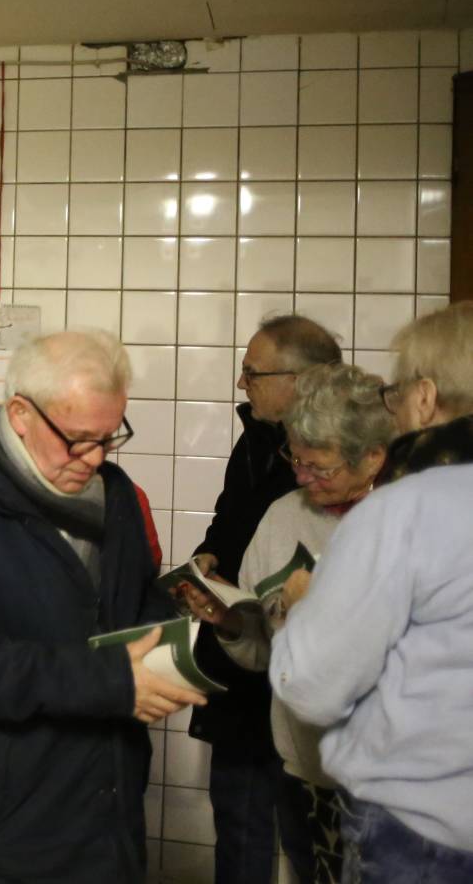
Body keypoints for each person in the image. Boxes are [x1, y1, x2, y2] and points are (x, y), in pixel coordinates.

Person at [0, 329, 200, 883]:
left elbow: (132, 604)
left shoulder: (115, 495)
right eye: (79, 439)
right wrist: (113, 680)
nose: (94, 459)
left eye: (111, 438)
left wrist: (190, 628)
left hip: (103, 816)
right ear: (20, 413)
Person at [271, 301, 473, 881]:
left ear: (426, 397)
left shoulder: (404, 511)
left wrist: (306, 612)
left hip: (424, 834)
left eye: (399, 390)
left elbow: (310, 686)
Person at [189, 364, 394, 884]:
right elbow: (264, 651)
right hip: (304, 769)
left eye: (319, 468)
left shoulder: (407, 519)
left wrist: (318, 609)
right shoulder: (284, 516)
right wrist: (231, 624)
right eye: (295, 460)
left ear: (373, 455)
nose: (303, 478)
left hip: (391, 781)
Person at [188, 313, 340, 884]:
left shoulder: (335, 464)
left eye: (252, 372)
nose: (240, 383)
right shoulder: (253, 441)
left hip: (302, 689)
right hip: (238, 671)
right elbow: (231, 523)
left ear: (299, 380)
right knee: (240, 828)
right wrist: (209, 558)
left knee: (312, 845)